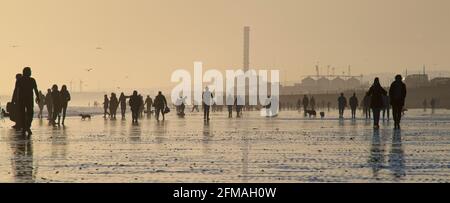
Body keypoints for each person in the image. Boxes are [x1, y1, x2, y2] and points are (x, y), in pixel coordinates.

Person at [16, 67, 40, 135]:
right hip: (26, 100)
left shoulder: (28, 80)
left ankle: (26, 127)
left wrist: (38, 97)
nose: (30, 72)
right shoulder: (28, 80)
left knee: (27, 114)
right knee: (27, 114)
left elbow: (35, 89)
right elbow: (16, 90)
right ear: (26, 72)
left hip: (24, 100)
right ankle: (26, 127)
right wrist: (38, 97)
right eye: (29, 71)